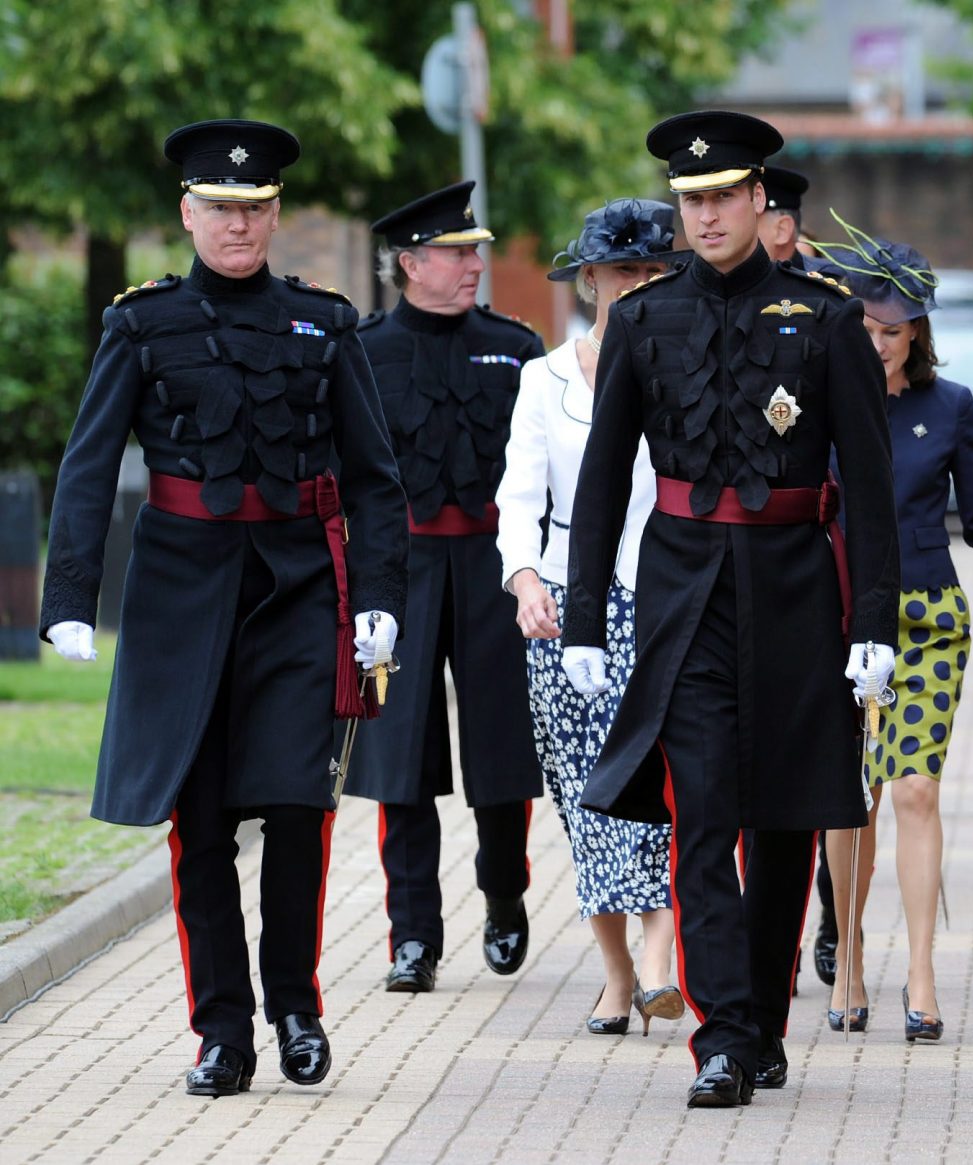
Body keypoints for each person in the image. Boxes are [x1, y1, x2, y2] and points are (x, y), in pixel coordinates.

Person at [40, 120, 408, 1096]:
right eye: (220, 208)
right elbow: (86, 465)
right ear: (187, 213)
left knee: (297, 809)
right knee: (198, 822)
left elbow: (374, 478)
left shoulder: (325, 323)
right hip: (178, 599)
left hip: (296, 593)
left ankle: (294, 1004)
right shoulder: (141, 323)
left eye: (254, 209)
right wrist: (69, 598)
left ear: (275, 213)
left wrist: (378, 598)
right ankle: (223, 1030)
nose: (238, 224)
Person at [560, 110, 900, 1108]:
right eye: (691, 200)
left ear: (761, 201)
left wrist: (874, 621)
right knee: (701, 808)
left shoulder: (828, 318)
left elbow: (870, 488)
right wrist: (585, 615)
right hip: (683, 589)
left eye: (723, 197)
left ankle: (760, 1009)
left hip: (796, 589)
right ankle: (722, 1032)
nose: (707, 215)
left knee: (786, 819)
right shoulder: (643, 318)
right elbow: (602, 475)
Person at [345, 182, 545, 991]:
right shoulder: (361, 351)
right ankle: (413, 937)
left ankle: (505, 892)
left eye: (475, 249)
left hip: (495, 573)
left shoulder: (515, 345)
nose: (474, 264)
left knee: (502, 749)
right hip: (403, 571)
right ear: (409, 264)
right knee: (402, 758)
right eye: (457, 252)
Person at [495, 197, 683, 1036]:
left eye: (651, 271)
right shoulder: (543, 379)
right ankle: (617, 972)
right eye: (622, 273)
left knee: (662, 783)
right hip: (570, 601)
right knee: (584, 793)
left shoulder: (689, 367)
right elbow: (518, 498)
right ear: (590, 280)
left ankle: (659, 960)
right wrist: (526, 576)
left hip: (669, 592)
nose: (637, 286)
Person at [814, 232, 973, 1041]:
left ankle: (920, 970)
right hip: (839, 613)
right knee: (853, 796)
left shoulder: (951, 407)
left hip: (927, 615)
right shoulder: (815, 405)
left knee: (915, 788)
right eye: (864, 329)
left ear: (917, 330)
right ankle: (848, 954)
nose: (877, 345)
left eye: (892, 331)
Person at [750, 161, 841, 988]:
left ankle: (828, 906)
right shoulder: (679, 309)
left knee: (805, 768)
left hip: (817, 553)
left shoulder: (827, 313)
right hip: (714, 564)